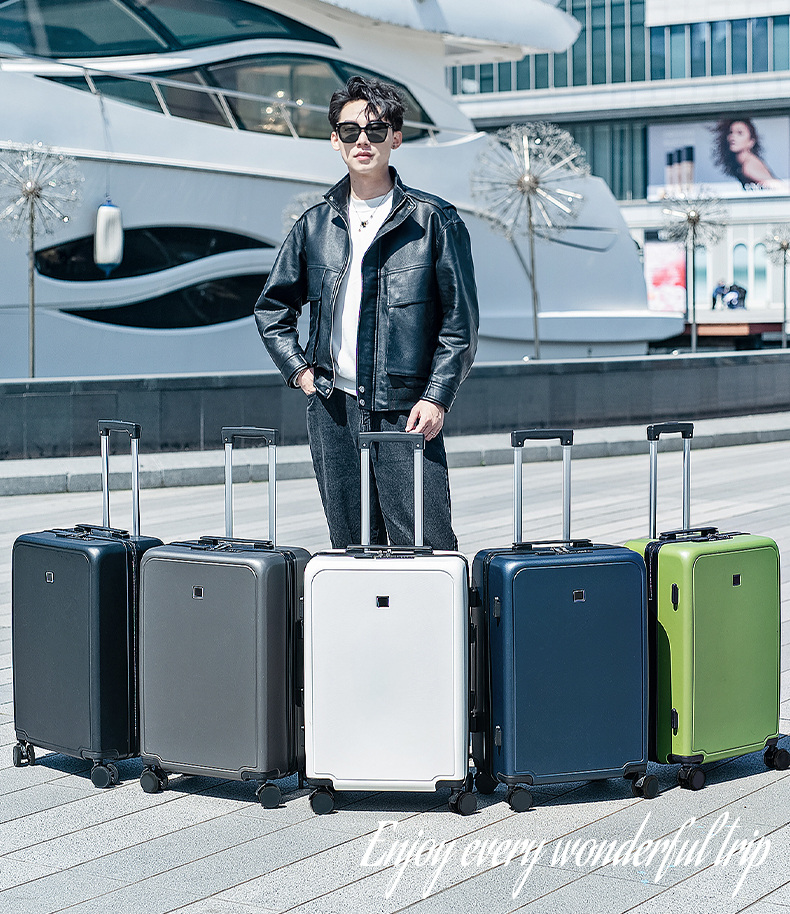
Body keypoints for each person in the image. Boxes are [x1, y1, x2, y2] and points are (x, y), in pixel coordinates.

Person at [254, 76, 479, 550]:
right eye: (350, 130)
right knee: (351, 546)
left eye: (376, 130)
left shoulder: (433, 220)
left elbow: (459, 325)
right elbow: (272, 308)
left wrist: (437, 398)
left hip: (406, 410)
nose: (363, 140)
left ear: (396, 138)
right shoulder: (315, 225)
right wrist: (301, 373)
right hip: (333, 409)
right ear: (334, 140)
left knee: (427, 545)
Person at [711, 118, 784, 189]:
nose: (733, 137)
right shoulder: (742, 164)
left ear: (751, 142)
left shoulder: (749, 165)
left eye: (740, 133)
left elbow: (778, 187)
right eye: (731, 132)